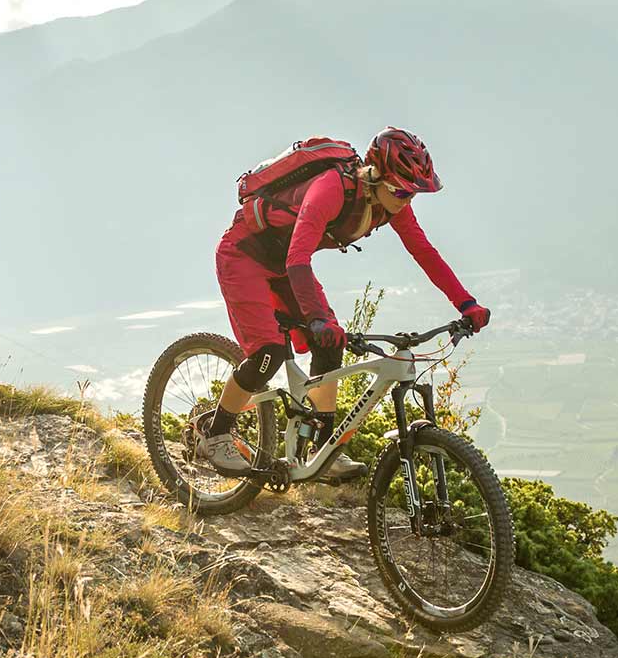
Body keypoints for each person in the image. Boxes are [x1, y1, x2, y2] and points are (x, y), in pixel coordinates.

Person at [195, 127, 492, 477]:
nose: (405, 199)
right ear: (376, 174)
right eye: (400, 190)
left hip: (285, 266)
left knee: (330, 344)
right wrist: (317, 318)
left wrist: (466, 304)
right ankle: (214, 433)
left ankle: (324, 451)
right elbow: (298, 258)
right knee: (268, 353)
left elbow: (425, 253)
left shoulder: (391, 203)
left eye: (413, 193)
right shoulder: (332, 188)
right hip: (244, 255)